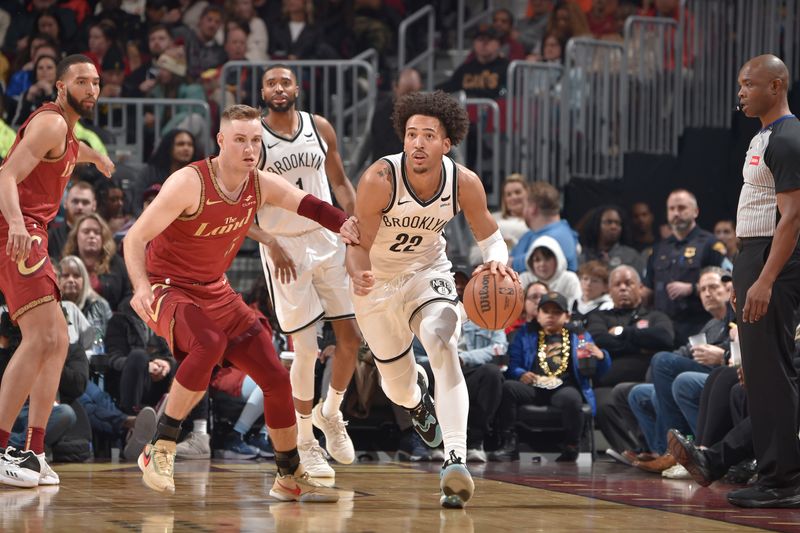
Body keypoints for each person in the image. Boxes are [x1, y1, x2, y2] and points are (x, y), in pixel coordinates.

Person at [124, 104, 350, 501]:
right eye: (241, 140)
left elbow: (309, 204)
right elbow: (134, 238)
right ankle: (159, 446)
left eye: (257, 141)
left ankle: (288, 473)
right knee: (208, 344)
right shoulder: (188, 182)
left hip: (215, 289)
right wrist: (141, 287)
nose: (251, 149)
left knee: (277, 379)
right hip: (168, 286)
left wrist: (346, 224)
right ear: (221, 141)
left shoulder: (258, 183)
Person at [346, 90, 519, 508]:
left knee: (443, 343)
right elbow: (358, 244)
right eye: (410, 134)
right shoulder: (380, 178)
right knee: (398, 389)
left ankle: (454, 459)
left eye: (428, 135)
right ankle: (418, 398)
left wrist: (496, 263)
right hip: (378, 284)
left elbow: (491, 238)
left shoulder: (463, 181)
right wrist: (357, 272)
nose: (417, 143)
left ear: (447, 142)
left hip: (428, 273)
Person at [0, 54, 113, 488]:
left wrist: (96, 158)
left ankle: (32, 450)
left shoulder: (66, 131)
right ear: (61, 87)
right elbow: (7, 175)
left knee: (59, 339)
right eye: (82, 81)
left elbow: (70, 150)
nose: (91, 89)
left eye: (97, 82)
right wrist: (14, 225)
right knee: (43, 336)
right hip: (17, 228)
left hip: (33, 230)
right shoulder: (50, 122)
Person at [253, 65, 361, 477]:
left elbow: (342, 184)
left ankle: (330, 412)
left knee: (351, 338)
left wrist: (355, 233)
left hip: (328, 237)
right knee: (307, 348)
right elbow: (239, 207)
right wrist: (269, 241)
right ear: (262, 92)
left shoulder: (319, 127)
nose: (279, 88)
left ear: (297, 88)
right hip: (285, 247)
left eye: (285, 82)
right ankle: (304, 441)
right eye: (271, 83)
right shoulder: (255, 137)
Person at [726, 54, 800, 508]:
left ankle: (783, 479)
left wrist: (765, 279)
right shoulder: (764, 134)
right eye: (740, 84)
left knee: (771, 372)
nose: (741, 92)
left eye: (749, 84)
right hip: (753, 255)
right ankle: (773, 469)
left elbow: (792, 218)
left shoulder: (789, 137)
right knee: (761, 372)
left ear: (776, 86)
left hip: (770, 259)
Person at [492, 291, 610, 462]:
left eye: (556, 312)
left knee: (572, 398)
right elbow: (513, 365)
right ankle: (509, 443)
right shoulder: (525, 333)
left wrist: (602, 357)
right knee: (508, 387)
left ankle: (572, 446)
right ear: (538, 315)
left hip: (563, 387)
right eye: (546, 311)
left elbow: (598, 373)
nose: (551, 316)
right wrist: (521, 374)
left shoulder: (579, 335)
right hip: (533, 386)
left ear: (567, 316)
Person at [642, 189, 728, 347]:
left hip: (699, 325)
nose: (676, 213)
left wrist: (693, 288)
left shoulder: (710, 244)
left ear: (695, 211)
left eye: (681, 208)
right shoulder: (658, 249)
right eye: (672, 209)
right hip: (664, 328)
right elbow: (647, 289)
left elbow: (728, 282)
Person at [47, 181, 96, 261]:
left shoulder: (102, 237)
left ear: (94, 205)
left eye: (85, 202)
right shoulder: (51, 237)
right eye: (75, 202)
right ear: (65, 203)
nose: (80, 207)